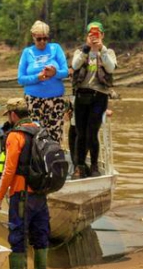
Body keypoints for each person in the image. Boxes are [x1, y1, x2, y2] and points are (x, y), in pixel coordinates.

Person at [0, 97, 51, 269]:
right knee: (40, 232)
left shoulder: (14, 135)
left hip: (21, 193)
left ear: (13, 115)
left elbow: (9, 170)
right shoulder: (41, 130)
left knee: (17, 234)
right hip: (40, 192)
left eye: (8, 115)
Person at [70, 22, 117, 178]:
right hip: (81, 97)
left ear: (102, 35)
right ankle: (79, 166)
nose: (94, 37)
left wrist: (101, 49)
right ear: (87, 36)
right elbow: (75, 65)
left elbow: (110, 68)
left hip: (99, 98)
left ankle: (95, 165)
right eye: (91, 34)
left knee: (92, 132)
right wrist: (86, 49)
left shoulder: (108, 52)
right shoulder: (80, 51)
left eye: (97, 34)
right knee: (80, 133)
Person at [17, 20, 69, 145]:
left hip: (55, 100)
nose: (42, 42)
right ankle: (36, 162)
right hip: (33, 101)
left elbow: (66, 72)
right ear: (33, 37)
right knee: (35, 135)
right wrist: (37, 77)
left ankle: (54, 160)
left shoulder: (55, 48)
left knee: (54, 135)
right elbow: (20, 79)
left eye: (45, 38)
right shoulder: (27, 52)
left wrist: (54, 73)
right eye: (39, 39)